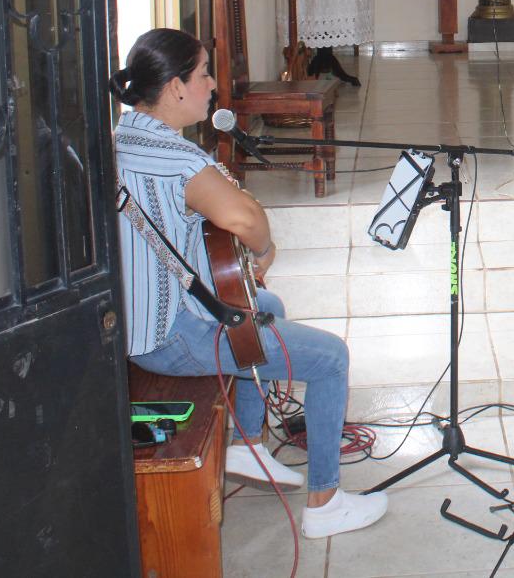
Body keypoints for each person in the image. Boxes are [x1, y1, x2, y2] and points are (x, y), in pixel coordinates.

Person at [113, 28, 387, 539]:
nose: (213, 85)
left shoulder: (127, 136)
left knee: (269, 302)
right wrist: (263, 251)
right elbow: (244, 218)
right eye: (203, 74)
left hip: (142, 321)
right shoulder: (177, 159)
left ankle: (248, 446)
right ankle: (325, 504)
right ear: (175, 88)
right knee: (330, 359)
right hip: (171, 336)